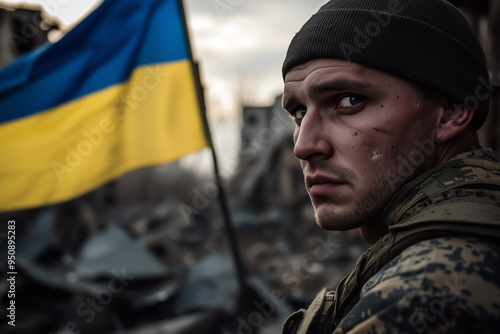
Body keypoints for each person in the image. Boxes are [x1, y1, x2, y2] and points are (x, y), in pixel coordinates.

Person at [280, 0, 500, 333]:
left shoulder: (430, 290)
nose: (303, 146)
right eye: (298, 112)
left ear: (452, 112)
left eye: (349, 100)